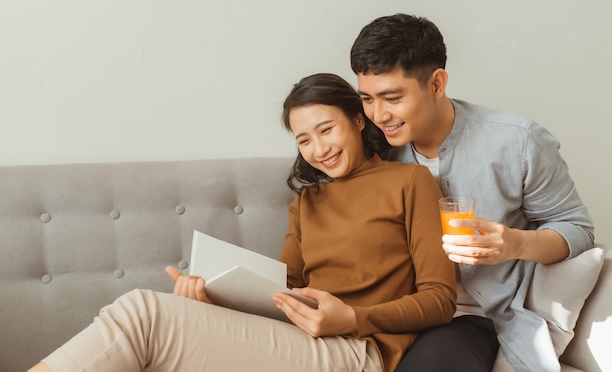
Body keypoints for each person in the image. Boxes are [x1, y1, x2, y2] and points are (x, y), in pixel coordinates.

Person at [28, 73, 456, 372]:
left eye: (327, 129)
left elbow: (440, 299)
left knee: (141, 312)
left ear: (358, 120)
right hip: (301, 342)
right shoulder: (309, 200)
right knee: (153, 348)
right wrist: (212, 297)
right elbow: (281, 289)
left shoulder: (410, 182)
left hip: (360, 352)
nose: (319, 148)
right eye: (304, 139)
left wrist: (352, 319)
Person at [350, 13, 595, 371]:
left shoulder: (517, 142)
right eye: (367, 99)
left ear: (436, 84)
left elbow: (578, 228)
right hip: (393, 311)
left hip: (471, 318)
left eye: (392, 97)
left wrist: (513, 243)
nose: (379, 114)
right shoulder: (374, 151)